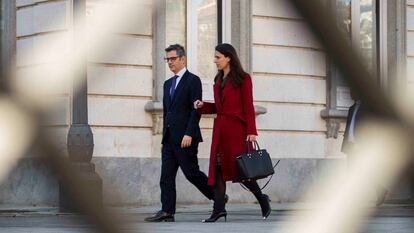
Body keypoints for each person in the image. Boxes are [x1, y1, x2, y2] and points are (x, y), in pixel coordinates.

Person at [194, 43, 271, 222]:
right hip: (220, 130)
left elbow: (248, 106)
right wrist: (202, 106)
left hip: (237, 130)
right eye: (215, 57)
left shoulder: (243, 79)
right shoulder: (217, 79)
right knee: (218, 170)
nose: (215, 61)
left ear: (229, 57)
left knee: (242, 171)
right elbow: (218, 107)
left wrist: (252, 131)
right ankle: (218, 209)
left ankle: (262, 199)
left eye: (218, 57)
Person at [145, 44, 214, 222]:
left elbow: (195, 110)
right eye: (167, 59)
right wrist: (164, 137)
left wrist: (189, 133)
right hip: (169, 138)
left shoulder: (193, 80)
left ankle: (217, 196)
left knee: (191, 173)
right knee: (166, 177)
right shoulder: (167, 84)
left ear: (182, 59)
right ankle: (167, 211)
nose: (169, 62)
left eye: (173, 58)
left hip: (186, 138)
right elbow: (168, 112)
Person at [342, 89, 388, 206]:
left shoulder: (367, 108)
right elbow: (349, 126)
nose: (350, 94)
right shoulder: (351, 109)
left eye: (352, 92)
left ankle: (379, 190)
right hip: (351, 145)